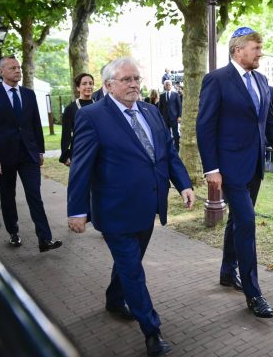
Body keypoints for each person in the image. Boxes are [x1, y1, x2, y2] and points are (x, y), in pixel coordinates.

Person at [67, 57, 194, 357]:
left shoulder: (150, 111)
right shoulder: (93, 116)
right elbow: (81, 167)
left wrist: (184, 184)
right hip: (115, 210)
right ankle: (152, 331)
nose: (134, 84)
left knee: (129, 263)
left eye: (136, 78)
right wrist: (76, 210)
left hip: (148, 206)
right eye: (126, 79)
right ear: (109, 85)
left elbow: (167, 153)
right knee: (133, 270)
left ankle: (114, 298)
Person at [196, 26, 273, 319]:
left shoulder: (263, 81)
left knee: (237, 220)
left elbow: (270, 121)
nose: (260, 53)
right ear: (239, 51)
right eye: (256, 48)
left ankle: (228, 271)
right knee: (247, 223)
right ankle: (254, 294)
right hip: (229, 169)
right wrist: (211, 168)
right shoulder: (216, 80)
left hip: (255, 166)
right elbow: (205, 125)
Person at [0, 55, 62, 252]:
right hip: (3, 157)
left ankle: (45, 238)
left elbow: (35, 125)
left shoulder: (29, 94)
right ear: (2, 71)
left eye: (19, 68)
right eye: (13, 68)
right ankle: (13, 232)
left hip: (28, 155)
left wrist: (40, 150)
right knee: (8, 196)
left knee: (35, 195)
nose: (18, 71)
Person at [59, 73, 95, 166]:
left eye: (91, 83)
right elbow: (66, 133)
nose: (88, 86)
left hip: (98, 151)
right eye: (84, 84)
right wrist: (65, 154)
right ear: (78, 88)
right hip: (79, 151)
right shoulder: (70, 108)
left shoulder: (100, 106)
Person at [158, 79, 182, 150]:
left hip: (174, 117)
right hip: (165, 118)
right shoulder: (162, 96)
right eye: (166, 85)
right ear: (165, 86)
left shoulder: (175, 94)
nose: (168, 86)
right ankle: (169, 147)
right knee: (167, 133)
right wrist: (160, 117)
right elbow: (160, 107)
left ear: (171, 86)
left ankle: (177, 147)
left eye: (169, 84)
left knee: (175, 133)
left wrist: (179, 116)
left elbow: (179, 106)